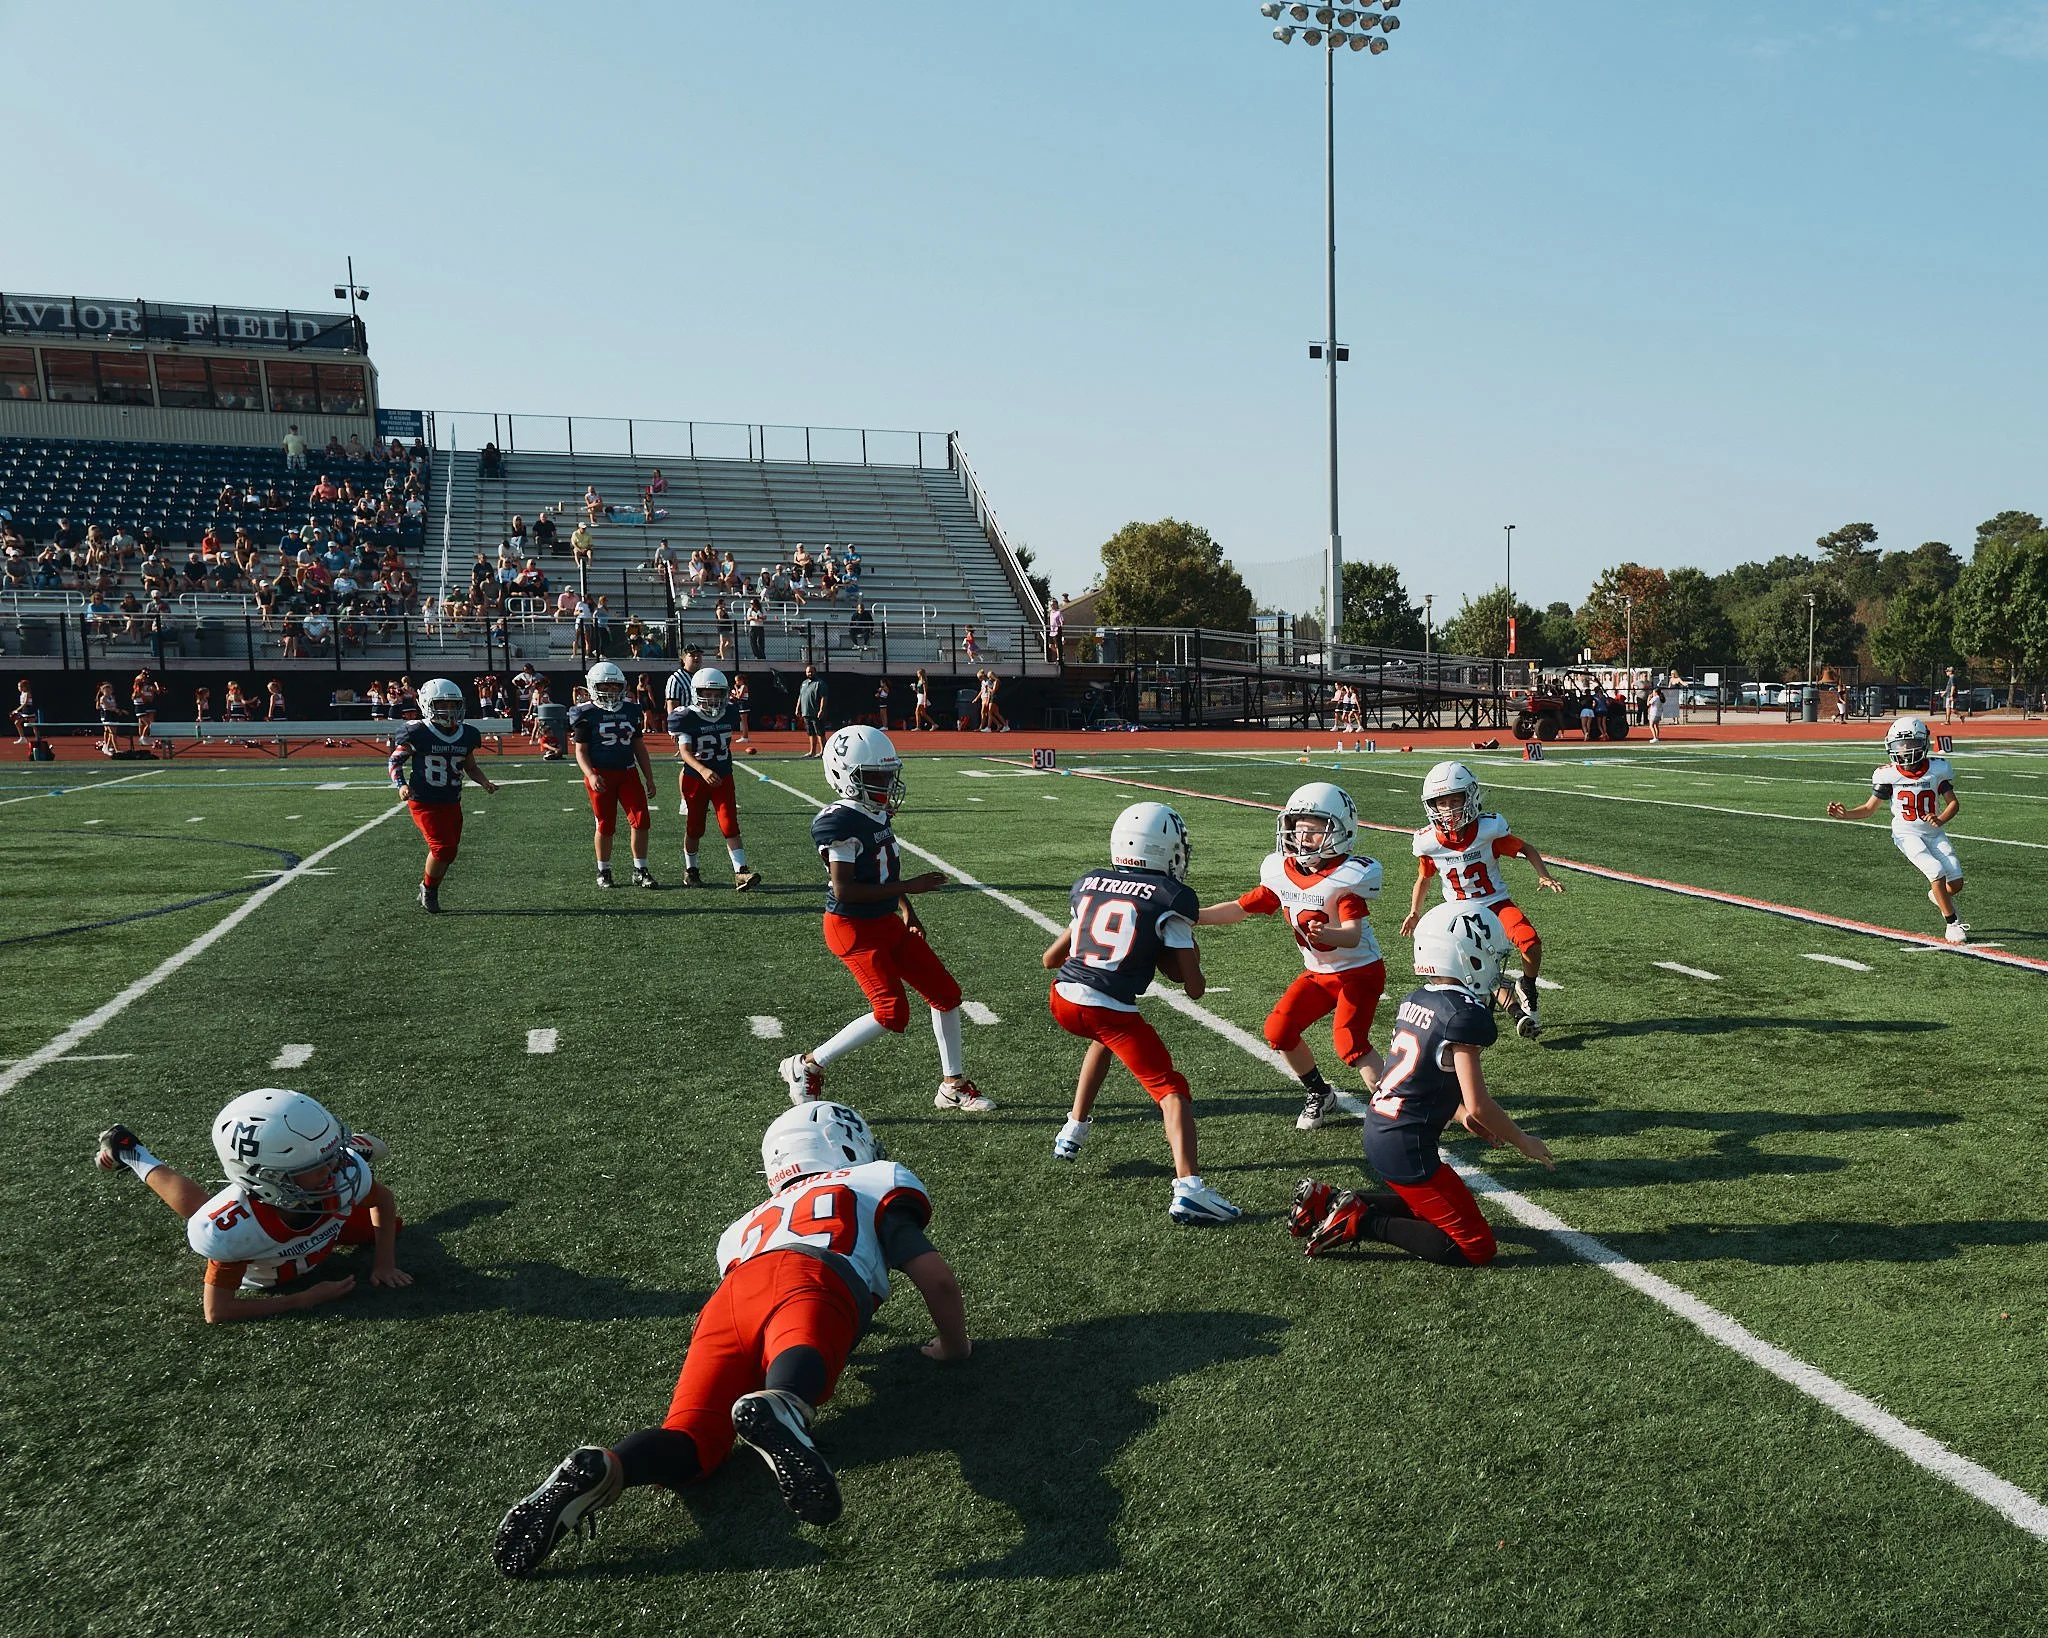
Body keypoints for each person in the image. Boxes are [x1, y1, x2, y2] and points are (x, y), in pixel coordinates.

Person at [492, 1102, 969, 1577]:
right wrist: (953, 1344)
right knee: (788, 1366)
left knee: (692, 1442)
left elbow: (757, 1301)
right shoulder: (869, 1180)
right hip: (812, 1273)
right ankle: (782, 1403)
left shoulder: (741, 1226)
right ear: (842, 1143)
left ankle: (610, 1464)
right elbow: (935, 1278)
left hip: (725, 1304)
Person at [1290, 903, 1555, 1264]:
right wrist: (1522, 1140)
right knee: (1476, 1247)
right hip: (1406, 1147)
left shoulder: (1418, 998)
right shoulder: (1465, 1016)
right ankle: (1362, 1221)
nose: (1497, 965)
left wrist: (1461, 1117)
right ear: (1468, 956)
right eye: (1492, 955)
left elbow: (1422, 1077)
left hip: (1383, 1128)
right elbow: (1480, 1103)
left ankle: (1330, 1200)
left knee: (1434, 1205)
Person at [1042, 803, 1241, 1227]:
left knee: (1103, 1036)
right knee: (1172, 1089)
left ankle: (1072, 1129)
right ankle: (1190, 1189)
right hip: (1107, 1008)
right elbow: (1195, 988)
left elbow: (1049, 959)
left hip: (1062, 999)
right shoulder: (1172, 898)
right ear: (1166, 850)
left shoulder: (1090, 884)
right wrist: (1181, 947)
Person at [779, 727, 992, 1114]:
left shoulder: (871, 811)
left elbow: (882, 875)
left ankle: (953, 1085)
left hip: (885, 920)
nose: (885, 784)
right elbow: (845, 889)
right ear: (845, 775)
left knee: (945, 993)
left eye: (887, 775)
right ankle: (807, 1064)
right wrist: (911, 886)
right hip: (852, 928)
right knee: (891, 1013)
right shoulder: (838, 823)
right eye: (874, 777)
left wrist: (908, 909)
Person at [91, 1089, 408, 1322]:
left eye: (332, 1158)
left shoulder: (334, 1182)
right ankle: (129, 1151)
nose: (335, 1174)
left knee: (391, 1227)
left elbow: (383, 1199)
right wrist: (303, 1299)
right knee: (200, 1209)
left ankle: (346, 1149)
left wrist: (384, 1263)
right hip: (276, 1258)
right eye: (316, 1165)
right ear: (265, 1177)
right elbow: (217, 1312)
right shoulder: (233, 1228)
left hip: (319, 1226)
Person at [1196, 783, 1387, 1131]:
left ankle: (1399, 1105)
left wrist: (1328, 934)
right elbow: (1240, 908)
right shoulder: (1281, 874)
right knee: (1279, 1029)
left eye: (1313, 830)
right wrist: (1196, 915)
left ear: (1340, 831)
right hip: (1318, 972)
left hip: (1359, 970)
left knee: (1349, 1041)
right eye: (1298, 828)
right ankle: (1320, 1093)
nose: (1301, 837)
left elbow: (1353, 934)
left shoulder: (1346, 878)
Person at [1398, 762, 1566, 1039]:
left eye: (1455, 800)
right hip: (1458, 913)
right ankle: (1516, 1013)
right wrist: (1414, 912)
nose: (1449, 808)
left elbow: (1525, 847)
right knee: (1474, 967)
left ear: (1470, 797)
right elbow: (1424, 878)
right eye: (1442, 802)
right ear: (1431, 806)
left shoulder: (1488, 830)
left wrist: (1543, 875)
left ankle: (1528, 985)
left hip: (1495, 903)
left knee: (1531, 944)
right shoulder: (1428, 842)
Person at [1826, 715, 1969, 943]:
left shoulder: (1937, 769)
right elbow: (1869, 809)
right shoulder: (1888, 774)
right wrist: (1846, 814)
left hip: (1933, 832)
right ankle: (1952, 923)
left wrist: (1940, 819)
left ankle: (1937, 896)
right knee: (1935, 870)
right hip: (1906, 833)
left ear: (1922, 743)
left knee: (1956, 883)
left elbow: (1954, 803)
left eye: (1909, 744)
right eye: (1899, 745)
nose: (1904, 750)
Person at [389, 678, 500, 913]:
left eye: (453, 705)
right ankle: (429, 890)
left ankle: (429, 886)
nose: (448, 710)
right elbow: (395, 761)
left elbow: (470, 767)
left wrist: (484, 782)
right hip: (424, 800)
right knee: (442, 849)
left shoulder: (466, 734)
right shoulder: (418, 731)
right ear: (428, 704)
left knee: (451, 850)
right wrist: (400, 784)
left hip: (451, 800)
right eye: (442, 704)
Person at [669, 666, 761, 891]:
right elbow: (685, 752)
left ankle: (741, 871)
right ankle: (691, 869)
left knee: (730, 823)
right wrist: (703, 770)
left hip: (723, 776)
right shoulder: (687, 716)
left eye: (717, 693)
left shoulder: (729, 712)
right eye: (707, 693)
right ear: (695, 692)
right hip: (695, 779)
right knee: (695, 827)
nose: (712, 699)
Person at [570, 660, 658, 889]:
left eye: (614, 687)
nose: (610, 692)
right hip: (600, 774)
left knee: (641, 820)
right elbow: (581, 751)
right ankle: (604, 870)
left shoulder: (631, 710)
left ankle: (640, 869)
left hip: (628, 772)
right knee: (605, 824)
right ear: (592, 687)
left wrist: (648, 776)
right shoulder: (585, 713)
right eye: (604, 687)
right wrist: (590, 774)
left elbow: (639, 747)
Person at [797, 664, 826, 757]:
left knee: (819, 732)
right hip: (806, 712)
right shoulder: (804, 683)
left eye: (811, 671)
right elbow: (800, 696)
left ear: (815, 672)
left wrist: (821, 710)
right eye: (808, 672)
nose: (809, 673)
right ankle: (812, 751)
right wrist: (798, 708)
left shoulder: (820, 683)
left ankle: (823, 752)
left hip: (816, 712)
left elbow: (823, 697)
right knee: (810, 733)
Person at [912, 668, 934, 732]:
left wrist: (924, 701)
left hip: (922, 697)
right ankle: (934, 724)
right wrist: (914, 689)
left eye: (918, 673)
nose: (917, 675)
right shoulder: (919, 681)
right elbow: (918, 691)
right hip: (919, 696)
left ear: (920, 674)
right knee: (923, 713)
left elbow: (925, 692)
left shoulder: (924, 681)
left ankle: (918, 727)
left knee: (917, 711)